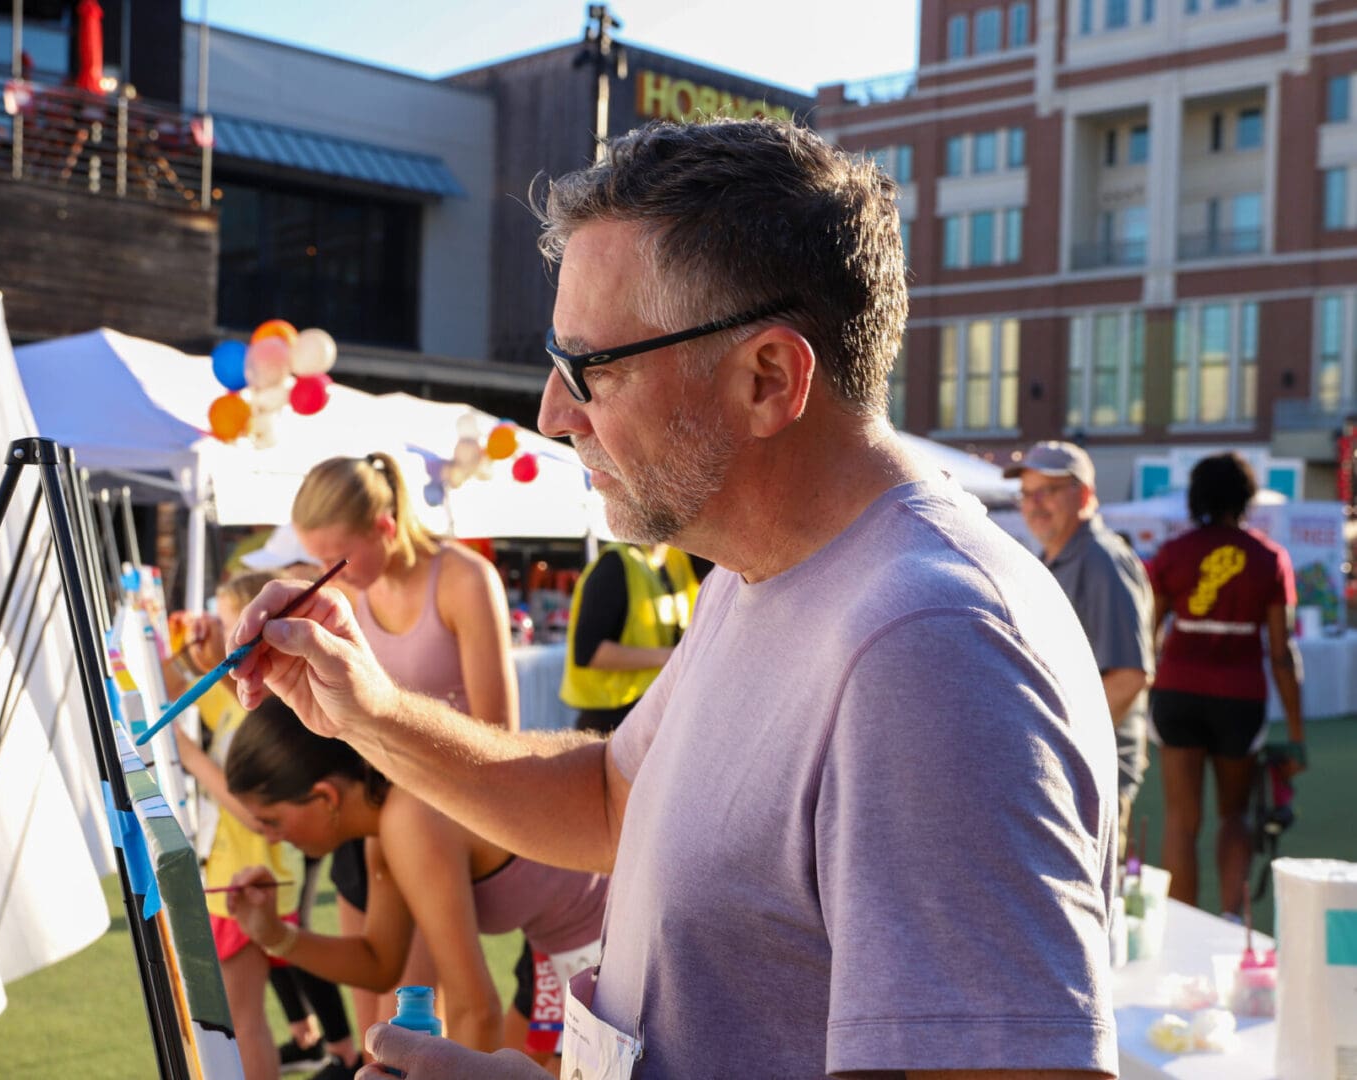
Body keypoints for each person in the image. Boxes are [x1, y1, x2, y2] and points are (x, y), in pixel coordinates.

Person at [231, 118, 1118, 1079]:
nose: (553, 412)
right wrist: (368, 714)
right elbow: (614, 800)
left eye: (592, 367)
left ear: (767, 379)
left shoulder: (932, 644)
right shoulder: (765, 570)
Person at [221, 698, 607, 1060]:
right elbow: (379, 963)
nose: (269, 836)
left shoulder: (410, 818)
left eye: (272, 821)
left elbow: (475, 1009)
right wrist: (274, 935)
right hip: (573, 941)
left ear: (326, 796)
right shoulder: (389, 820)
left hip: (611, 929)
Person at [287, 453, 520, 1043]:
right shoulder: (347, 592)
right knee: (374, 1027)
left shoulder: (463, 579)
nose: (321, 572)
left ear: (385, 527)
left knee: (408, 1027)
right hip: (365, 825)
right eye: (314, 557)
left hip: (433, 829)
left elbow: (499, 736)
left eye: (331, 557)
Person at [166, 572, 358, 1080]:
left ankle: (334, 1045)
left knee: (241, 1021)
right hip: (236, 870)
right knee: (236, 1016)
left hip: (250, 874)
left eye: (232, 625)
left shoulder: (266, 709)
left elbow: (256, 810)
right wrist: (174, 637)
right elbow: (173, 684)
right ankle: (331, 1043)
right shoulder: (239, 698)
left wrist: (189, 758)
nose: (226, 637)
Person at [1147, 451, 1308, 915]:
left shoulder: (1173, 553)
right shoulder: (1269, 558)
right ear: (1246, 498)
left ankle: (1181, 925)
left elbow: (1148, 635)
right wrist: (1296, 734)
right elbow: (1281, 652)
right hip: (1240, 698)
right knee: (1234, 815)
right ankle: (1232, 921)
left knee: (1181, 818)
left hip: (1177, 692)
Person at [1006, 441, 1154, 861]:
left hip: (1087, 779)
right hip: (1065, 776)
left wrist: (1060, 749)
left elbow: (1130, 677)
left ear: (1084, 495)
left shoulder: (1101, 560)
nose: (1034, 505)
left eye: (1048, 491)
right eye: (1027, 493)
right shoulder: (1058, 558)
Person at [560, 542, 701, 734]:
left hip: (660, 709)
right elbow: (589, 652)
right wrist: (673, 656)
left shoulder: (678, 560)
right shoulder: (615, 564)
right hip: (613, 719)